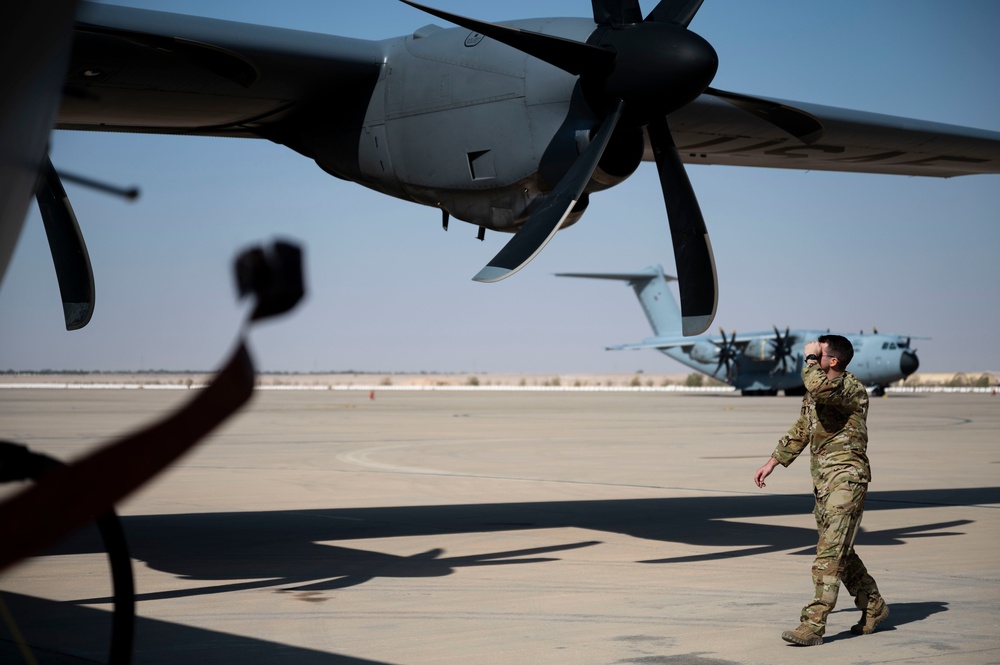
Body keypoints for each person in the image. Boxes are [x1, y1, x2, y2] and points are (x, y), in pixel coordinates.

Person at [753, 334, 889, 646]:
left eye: (820, 352)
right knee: (840, 552)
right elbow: (803, 428)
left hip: (847, 479)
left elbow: (818, 386)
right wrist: (773, 461)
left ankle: (813, 625)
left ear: (833, 361)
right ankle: (873, 605)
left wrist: (809, 358)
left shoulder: (847, 388)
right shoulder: (820, 392)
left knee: (827, 555)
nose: (813, 354)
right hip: (824, 483)